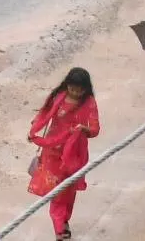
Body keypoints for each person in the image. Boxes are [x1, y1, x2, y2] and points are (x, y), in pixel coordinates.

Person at [27, 66, 100, 240]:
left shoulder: (89, 102)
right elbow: (44, 114)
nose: (75, 93)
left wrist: (84, 130)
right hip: (52, 151)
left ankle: (64, 221)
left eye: (79, 90)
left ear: (86, 89)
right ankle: (59, 229)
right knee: (57, 192)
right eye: (72, 88)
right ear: (67, 85)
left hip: (75, 153)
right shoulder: (57, 97)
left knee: (69, 190)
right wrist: (34, 128)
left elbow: (95, 129)